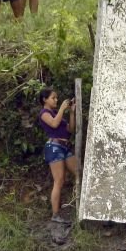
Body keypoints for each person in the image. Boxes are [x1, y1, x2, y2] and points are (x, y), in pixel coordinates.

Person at [38, 87, 78, 223]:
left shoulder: (57, 114)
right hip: (54, 147)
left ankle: (81, 205)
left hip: (65, 147)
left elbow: (70, 129)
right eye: (53, 98)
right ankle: (55, 215)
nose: (56, 100)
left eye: (56, 98)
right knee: (59, 180)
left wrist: (71, 113)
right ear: (45, 100)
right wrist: (62, 109)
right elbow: (54, 124)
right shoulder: (44, 113)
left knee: (79, 173)